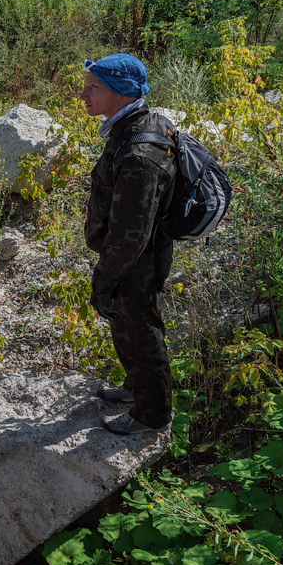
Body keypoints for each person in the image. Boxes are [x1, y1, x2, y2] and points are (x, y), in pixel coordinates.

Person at [80, 53, 177, 436]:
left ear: (121, 92)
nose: (83, 95)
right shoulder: (135, 125)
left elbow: (130, 234)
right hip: (131, 257)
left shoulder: (139, 153)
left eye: (93, 87)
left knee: (140, 333)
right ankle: (137, 389)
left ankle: (151, 416)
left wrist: (104, 279)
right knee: (126, 327)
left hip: (136, 260)